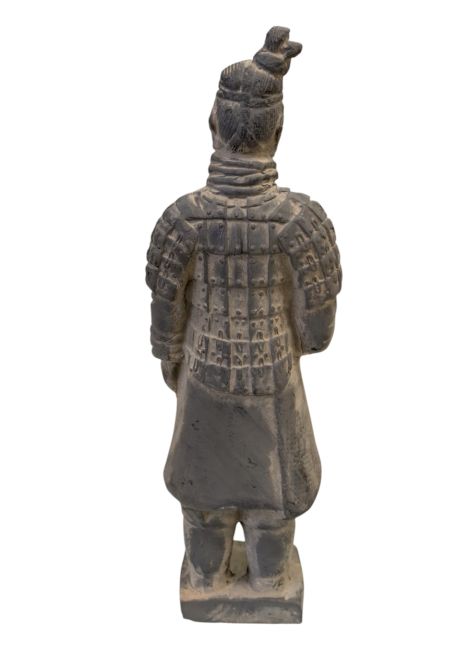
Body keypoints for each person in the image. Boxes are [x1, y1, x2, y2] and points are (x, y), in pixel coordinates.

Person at [146, 26, 342, 594]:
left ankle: (206, 580)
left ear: (213, 125)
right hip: (273, 382)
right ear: (277, 131)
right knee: (272, 509)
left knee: (203, 505)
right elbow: (317, 332)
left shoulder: (181, 219)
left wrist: (174, 363)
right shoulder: (301, 222)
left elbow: (165, 316)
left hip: (202, 379)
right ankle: (269, 583)